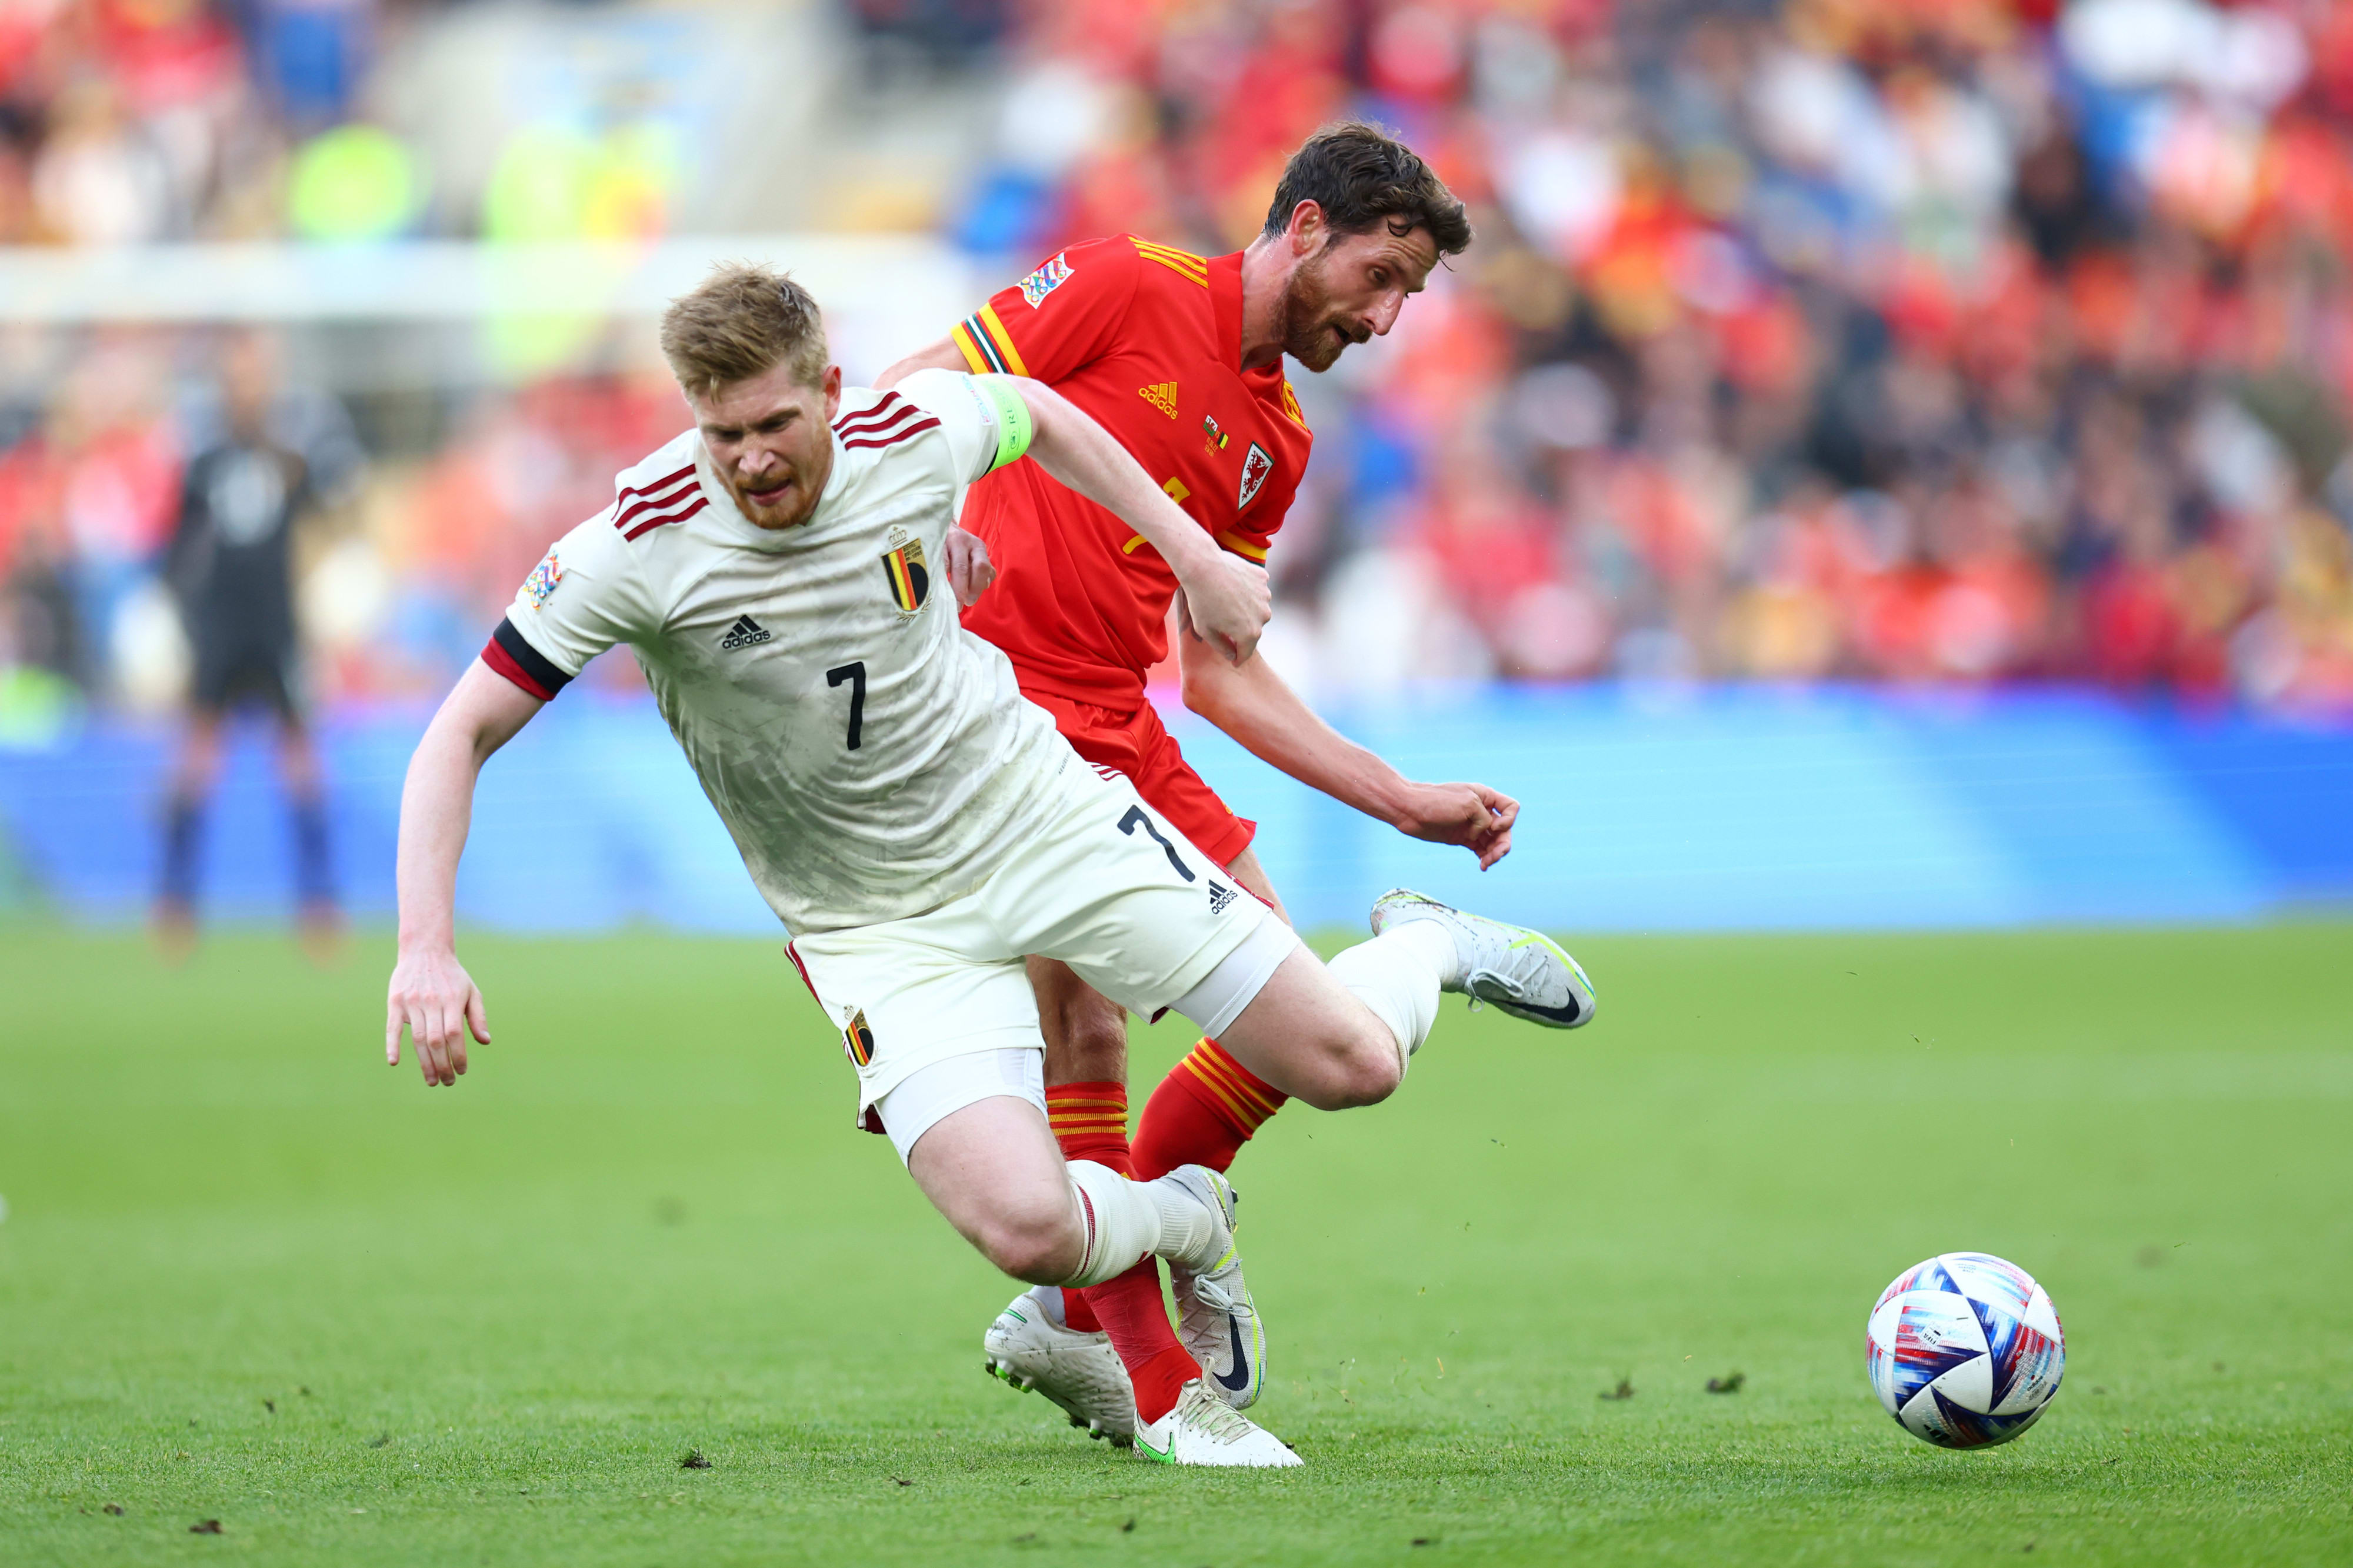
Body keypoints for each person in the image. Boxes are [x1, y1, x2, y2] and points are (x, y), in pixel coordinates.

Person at [384, 265, 1594, 1467]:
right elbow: (459, 731)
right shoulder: (633, 545)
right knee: (1025, 1227)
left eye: (773, 426)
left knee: (1350, 1064)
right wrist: (424, 948)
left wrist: (1188, 554)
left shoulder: (908, 429)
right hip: (871, 926)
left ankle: (1421, 943)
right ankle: (1183, 1225)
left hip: (1037, 814)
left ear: (832, 394)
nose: (749, 460)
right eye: (721, 434)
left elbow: (1046, 413)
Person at [875, 122, 1587, 1442]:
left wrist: (1398, 797)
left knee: (1302, 1031)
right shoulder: (1122, 281)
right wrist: (921, 531)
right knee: (1084, 1033)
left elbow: (1216, 670)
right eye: (1381, 276)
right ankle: (1149, 1376)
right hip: (998, 719)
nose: (1384, 318)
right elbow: (910, 392)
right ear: (1305, 226)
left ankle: (1103, 1302)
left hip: (1126, 728)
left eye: (1409, 297)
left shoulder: (1279, 437)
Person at [155, 331, 339, 955]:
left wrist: (314, 615)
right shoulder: (204, 465)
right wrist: (186, 626)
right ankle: (176, 902)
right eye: (237, 381)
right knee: (197, 762)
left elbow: (322, 533)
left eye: (257, 381)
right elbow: (176, 552)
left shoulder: (291, 464)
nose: (248, 393)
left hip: (277, 628)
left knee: (302, 768)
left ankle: (318, 904)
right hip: (221, 630)